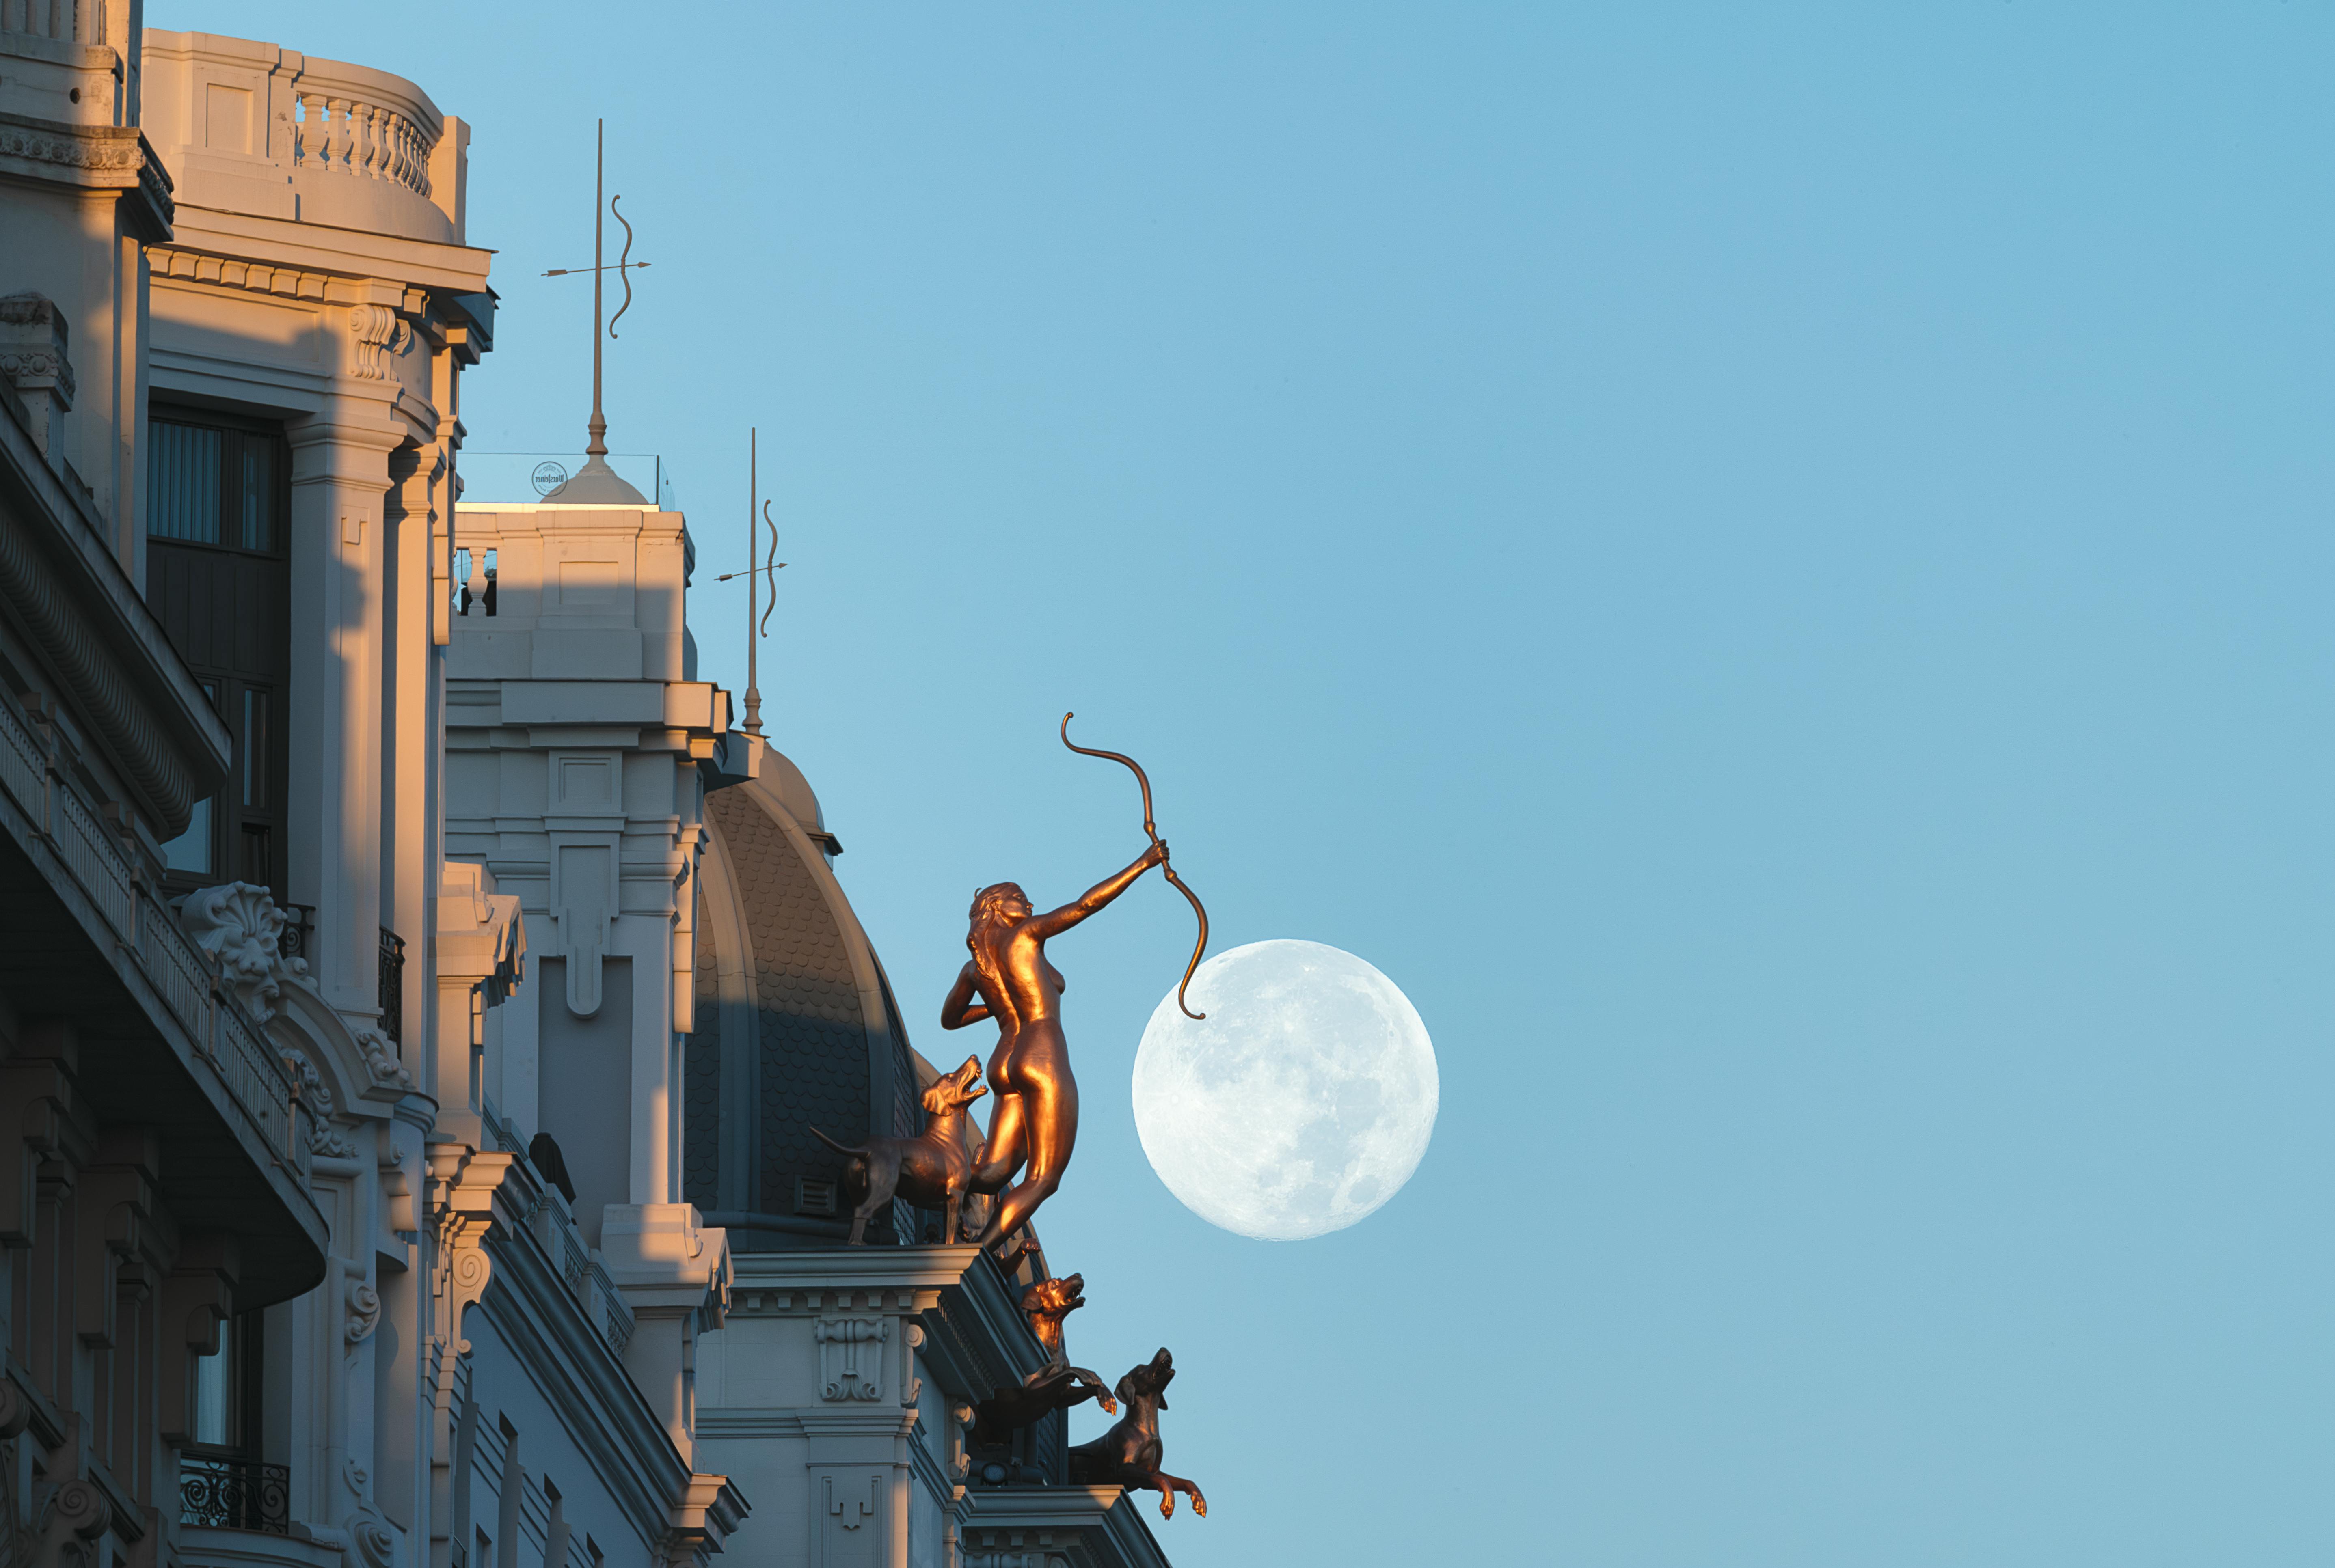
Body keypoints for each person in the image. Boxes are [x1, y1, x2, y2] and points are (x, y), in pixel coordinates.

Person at [942, 841, 1169, 1248]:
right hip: (1041, 1048)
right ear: (995, 906)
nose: (1029, 904)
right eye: (1018, 897)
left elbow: (950, 1019)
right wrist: (1143, 863)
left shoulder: (976, 968)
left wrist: (997, 1010)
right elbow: (1084, 906)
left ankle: (935, 1175)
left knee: (993, 1171)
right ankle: (979, 1250)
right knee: (1044, 1177)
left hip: (1004, 1058)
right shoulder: (1026, 937)